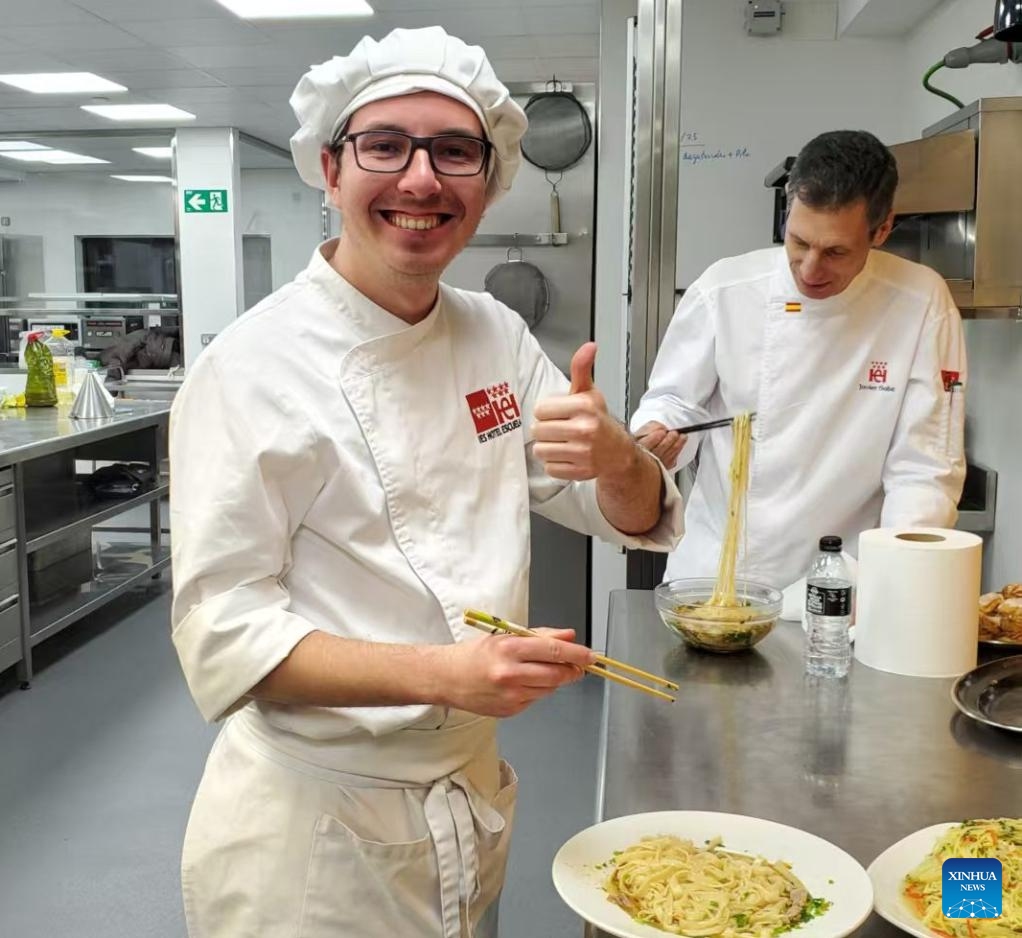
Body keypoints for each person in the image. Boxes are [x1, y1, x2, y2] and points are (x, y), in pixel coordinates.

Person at [169, 26, 682, 938]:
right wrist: (443, 674)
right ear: (330, 171)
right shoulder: (249, 368)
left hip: (468, 800)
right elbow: (223, 633)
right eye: (384, 146)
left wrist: (617, 456)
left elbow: (626, 516)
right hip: (314, 835)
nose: (420, 180)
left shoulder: (495, 336)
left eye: (454, 152)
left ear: (488, 182)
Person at [631, 129, 966, 601]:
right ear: (788, 209)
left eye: (836, 252)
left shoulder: (919, 301)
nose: (810, 269)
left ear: (883, 229)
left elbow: (924, 469)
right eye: (798, 241)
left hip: (842, 584)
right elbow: (673, 402)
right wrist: (658, 436)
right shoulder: (726, 288)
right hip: (715, 579)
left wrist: (892, 581)